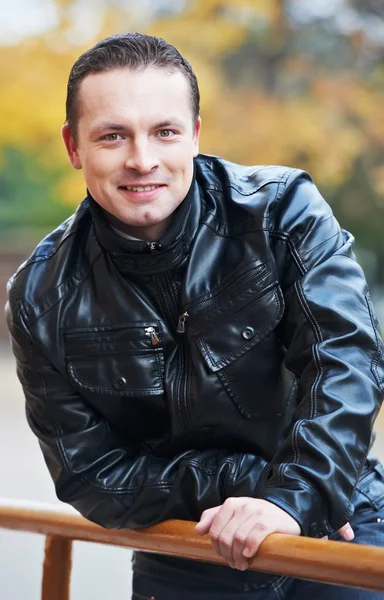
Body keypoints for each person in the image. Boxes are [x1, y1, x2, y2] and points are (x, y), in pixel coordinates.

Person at [5, 32, 384, 600]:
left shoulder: (283, 211)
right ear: (73, 146)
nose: (142, 159)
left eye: (164, 131)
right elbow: (90, 474)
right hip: (185, 545)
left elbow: (346, 362)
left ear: (196, 135)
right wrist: (243, 483)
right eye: (113, 135)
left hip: (336, 513)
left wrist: (291, 497)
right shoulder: (39, 295)